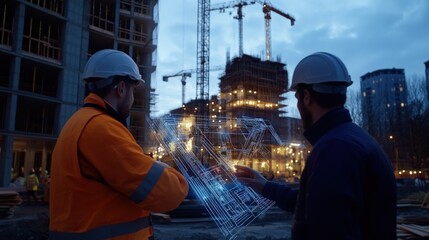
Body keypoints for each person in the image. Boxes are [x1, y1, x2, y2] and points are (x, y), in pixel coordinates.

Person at [235, 52, 396, 239]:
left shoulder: (334, 149)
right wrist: (266, 187)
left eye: (297, 97)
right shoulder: (355, 139)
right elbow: (320, 205)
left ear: (306, 97)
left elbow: (328, 229)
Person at [49, 49, 189, 240]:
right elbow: (170, 193)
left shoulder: (79, 122)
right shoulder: (102, 129)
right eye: (132, 90)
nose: (132, 98)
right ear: (121, 88)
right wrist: (163, 167)